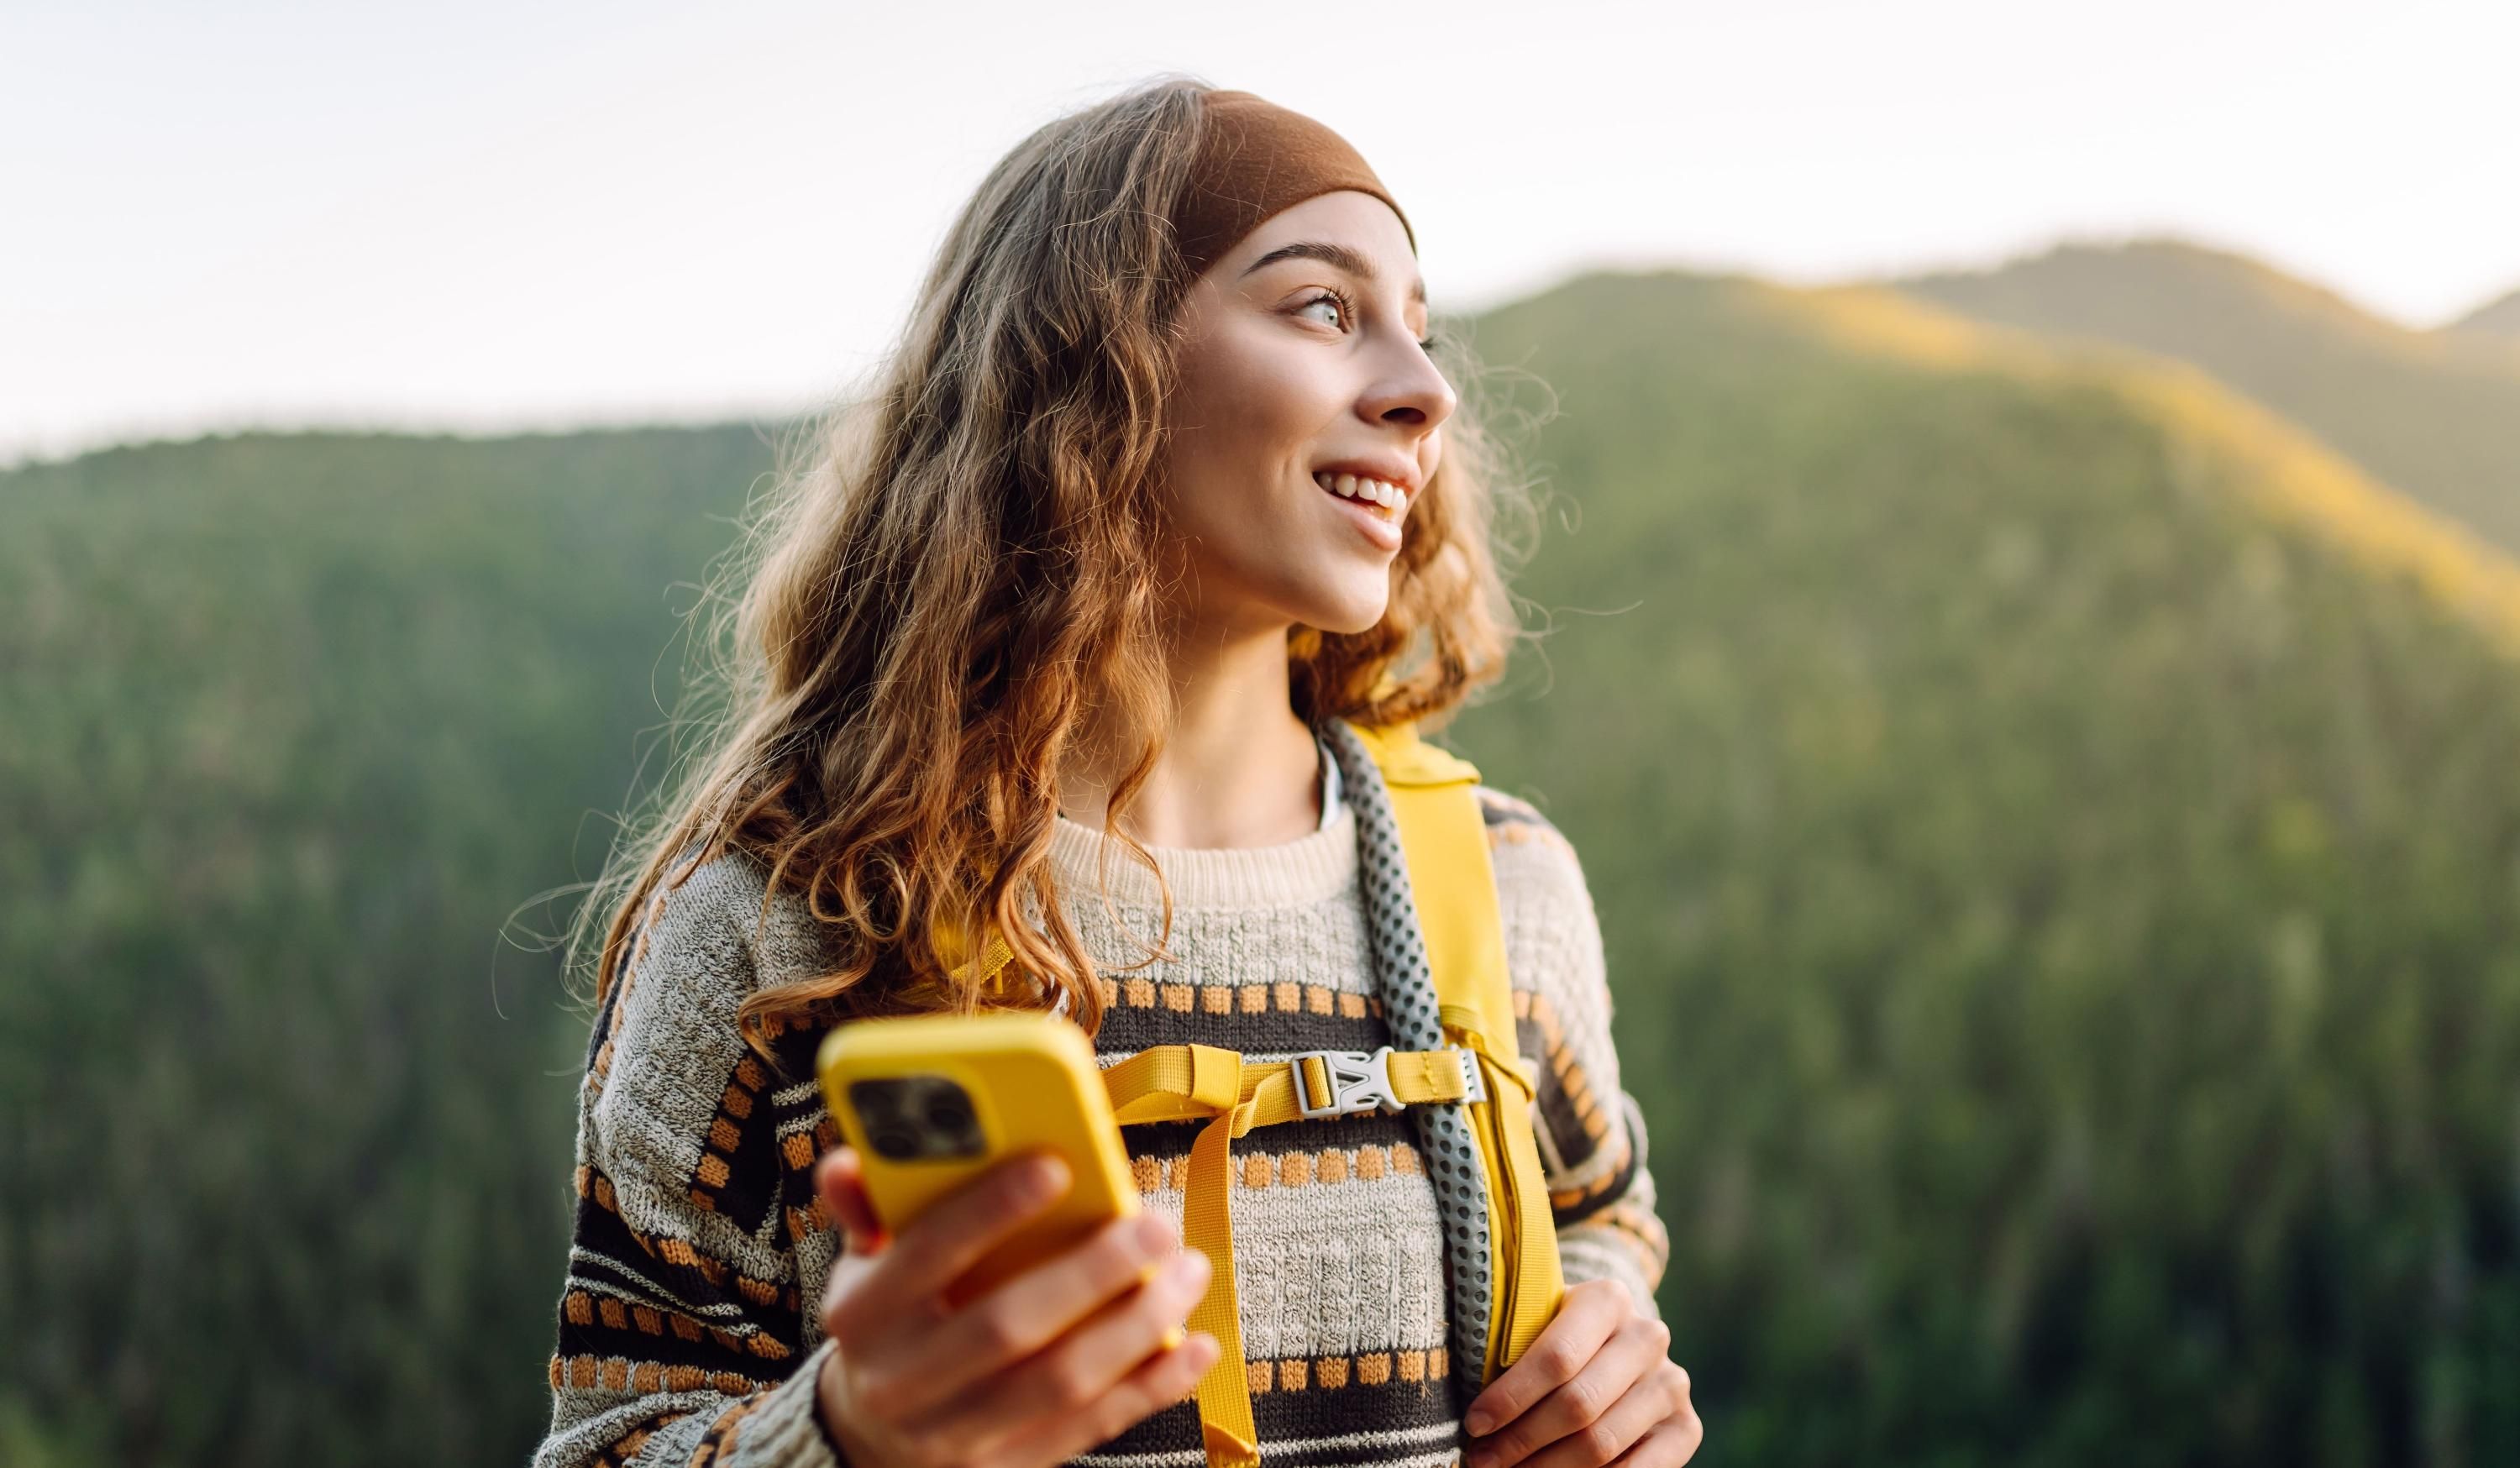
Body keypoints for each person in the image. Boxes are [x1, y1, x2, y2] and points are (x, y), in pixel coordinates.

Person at [531, 76, 1699, 1468]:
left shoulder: (1508, 886)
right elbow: (615, 1433)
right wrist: (847, 1438)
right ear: (1093, 365)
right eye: (1326, 307)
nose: (1425, 392)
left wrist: (1609, 1341)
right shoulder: (780, 923)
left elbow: (1600, 1212)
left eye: (1420, 331)